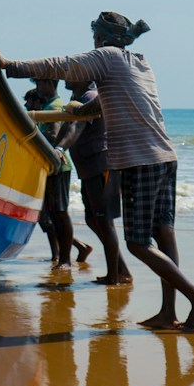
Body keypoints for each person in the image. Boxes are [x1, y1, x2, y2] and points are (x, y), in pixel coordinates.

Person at [0, 12, 194, 332]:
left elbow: (60, 65)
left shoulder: (107, 57)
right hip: (165, 157)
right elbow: (92, 110)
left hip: (138, 160)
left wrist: (8, 66)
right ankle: (168, 312)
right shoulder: (139, 62)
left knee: (138, 243)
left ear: (99, 39)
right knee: (163, 233)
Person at [65, 77, 131, 285]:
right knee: (93, 220)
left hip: (99, 167)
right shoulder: (78, 97)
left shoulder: (90, 97)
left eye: (72, 73)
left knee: (104, 221)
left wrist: (58, 149)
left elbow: (76, 128)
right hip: (88, 169)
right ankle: (121, 270)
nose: (67, 76)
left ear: (84, 77)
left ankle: (115, 276)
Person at [33, 78, 91, 268]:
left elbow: (53, 135)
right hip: (51, 167)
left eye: (39, 84)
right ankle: (65, 255)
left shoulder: (54, 107)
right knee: (53, 214)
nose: (38, 89)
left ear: (49, 84)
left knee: (59, 213)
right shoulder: (50, 105)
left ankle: (65, 259)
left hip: (58, 166)